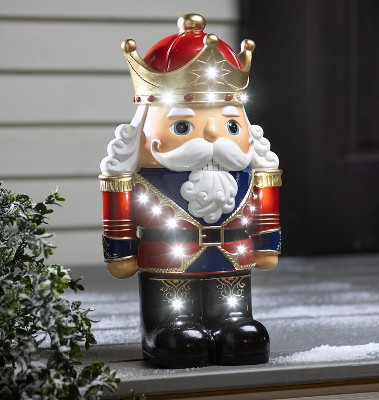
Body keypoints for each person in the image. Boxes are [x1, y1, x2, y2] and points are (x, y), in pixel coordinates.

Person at [99, 14, 282, 368]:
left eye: (231, 125)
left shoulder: (248, 176)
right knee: (175, 320)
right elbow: (118, 207)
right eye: (183, 126)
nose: (212, 135)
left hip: (231, 261)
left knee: (235, 317)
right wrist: (120, 252)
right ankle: (167, 328)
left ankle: (232, 323)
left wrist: (266, 245)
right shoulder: (142, 179)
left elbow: (265, 206)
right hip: (168, 263)